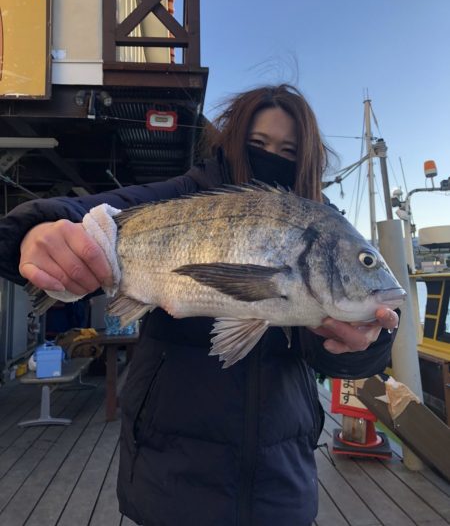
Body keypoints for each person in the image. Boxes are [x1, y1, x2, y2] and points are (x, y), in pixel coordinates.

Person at [0, 84, 398, 526]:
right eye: (258, 144)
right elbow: (86, 214)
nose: (272, 157)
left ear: (306, 158)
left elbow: (338, 355)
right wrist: (35, 232)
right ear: (232, 141)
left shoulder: (324, 221)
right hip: (170, 479)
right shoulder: (184, 193)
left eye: (288, 149)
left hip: (281, 482)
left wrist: (369, 342)